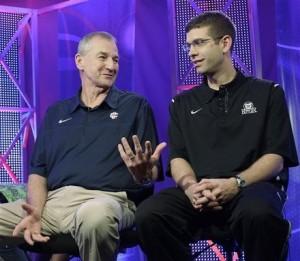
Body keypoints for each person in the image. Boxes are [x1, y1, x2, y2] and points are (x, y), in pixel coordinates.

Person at [135, 11, 299, 261]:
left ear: (225, 43)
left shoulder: (268, 93)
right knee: (150, 214)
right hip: (199, 194)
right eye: (188, 45)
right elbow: (178, 158)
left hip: (251, 189)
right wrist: (190, 187)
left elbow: (276, 158)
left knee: (259, 214)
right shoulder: (180, 103)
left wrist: (234, 184)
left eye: (199, 43)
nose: (190, 52)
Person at [0, 31, 166, 261]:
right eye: (103, 57)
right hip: (54, 204)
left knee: (95, 215)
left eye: (116, 59)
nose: (111, 65)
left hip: (108, 200)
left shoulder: (134, 106)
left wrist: (145, 172)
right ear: (80, 61)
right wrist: (36, 212)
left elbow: (154, 170)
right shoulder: (57, 112)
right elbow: (39, 173)